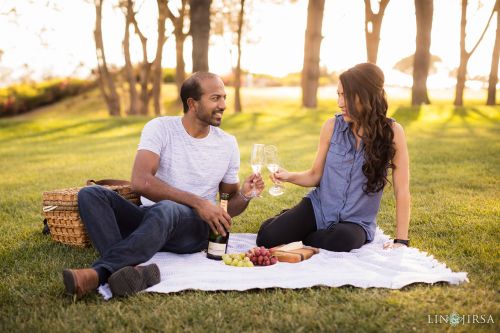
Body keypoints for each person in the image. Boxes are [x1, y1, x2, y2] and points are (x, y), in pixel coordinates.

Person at [63, 72, 264, 299]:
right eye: (215, 98)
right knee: (91, 194)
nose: (224, 105)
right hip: (151, 218)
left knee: (167, 208)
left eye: (224, 98)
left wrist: (246, 195)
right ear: (192, 103)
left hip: (195, 228)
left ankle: (98, 274)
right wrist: (198, 202)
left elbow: (228, 206)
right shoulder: (160, 128)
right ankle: (125, 272)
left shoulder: (227, 143)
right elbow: (141, 181)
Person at [257, 63, 410, 252]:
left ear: (366, 95)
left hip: (355, 222)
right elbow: (315, 175)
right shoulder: (331, 127)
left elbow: (401, 190)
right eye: (339, 95)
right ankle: (293, 222)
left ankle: (305, 234)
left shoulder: (393, 133)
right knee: (267, 237)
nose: (340, 103)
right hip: (319, 207)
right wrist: (288, 176)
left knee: (341, 241)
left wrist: (401, 241)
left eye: (346, 95)